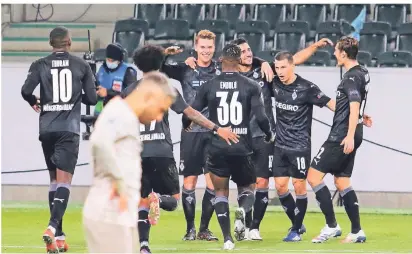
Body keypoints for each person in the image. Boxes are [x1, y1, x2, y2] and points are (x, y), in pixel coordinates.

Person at [120, 45, 239, 254]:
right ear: (159, 66)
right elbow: (191, 112)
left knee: (142, 201)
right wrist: (216, 128)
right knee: (174, 199)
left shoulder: (128, 92)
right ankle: (159, 198)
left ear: (138, 66)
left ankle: (144, 246)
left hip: (138, 154)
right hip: (162, 152)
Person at [162, 29, 274, 241]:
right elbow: (158, 66)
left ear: (215, 50)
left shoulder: (219, 68)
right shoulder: (186, 68)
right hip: (192, 132)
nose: (205, 51)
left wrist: (263, 62)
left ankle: (204, 229)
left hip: (217, 134)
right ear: (196, 48)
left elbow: (241, 58)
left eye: (209, 47)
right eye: (202, 47)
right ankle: (190, 229)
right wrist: (166, 53)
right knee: (189, 183)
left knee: (213, 184)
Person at [227, 37, 334, 241]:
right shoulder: (230, 75)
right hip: (241, 137)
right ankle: (291, 224)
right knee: (256, 184)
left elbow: (293, 60)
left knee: (263, 183)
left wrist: (315, 46)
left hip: (266, 138)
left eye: (250, 50)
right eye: (244, 51)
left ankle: (256, 228)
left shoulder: (266, 72)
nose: (249, 53)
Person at [20, 26, 97, 253]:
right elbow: (91, 99)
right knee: (64, 181)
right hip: (68, 129)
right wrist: (79, 91)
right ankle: (52, 227)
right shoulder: (81, 65)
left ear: (51, 43)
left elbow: (25, 90)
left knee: (53, 181)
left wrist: (34, 101)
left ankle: (59, 238)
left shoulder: (39, 64)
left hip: (47, 128)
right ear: (69, 42)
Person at [82, 72, 177, 253]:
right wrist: (119, 183)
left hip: (120, 214)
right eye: (160, 109)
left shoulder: (128, 117)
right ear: (149, 97)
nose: (158, 118)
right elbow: (99, 143)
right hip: (109, 213)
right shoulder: (119, 113)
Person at [307, 36, 372, 244]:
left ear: (344, 54)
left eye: (336, 51)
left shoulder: (350, 78)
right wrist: (362, 116)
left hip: (342, 135)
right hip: (353, 130)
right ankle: (356, 231)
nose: (334, 53)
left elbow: (354, 104)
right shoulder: (363, 72)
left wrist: (350, 134)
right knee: (342, 181)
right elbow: (357, 104)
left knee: (313, 176)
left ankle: (332, 226)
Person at [270, 51, 337, 242]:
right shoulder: (274, 82)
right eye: (277, 67)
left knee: (299, 185)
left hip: (299, 146)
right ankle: (297, 222)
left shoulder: (307, 88)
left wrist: (355, 117)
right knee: (280, 186)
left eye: (284, 67)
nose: (280, 71)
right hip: (280, 145)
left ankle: (296, 229)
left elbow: (331, 104)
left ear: (293, 66)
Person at [94, 43, 137, 116]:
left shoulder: (128, 71)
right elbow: (96, 86)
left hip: (121, 113)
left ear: (119, 60)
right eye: (108, 59)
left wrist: (108, 92)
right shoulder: (102, 69)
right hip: (101, 110)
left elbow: (131, 95)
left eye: (112, 60)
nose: (110, 62)